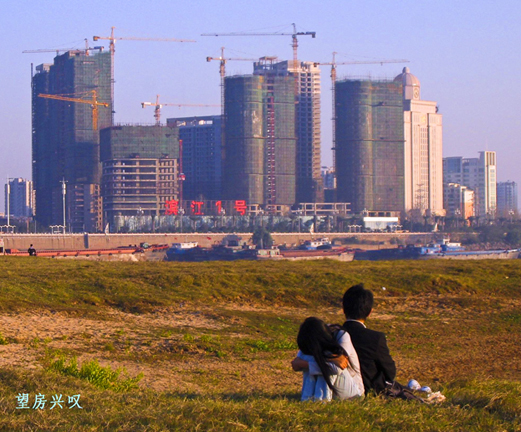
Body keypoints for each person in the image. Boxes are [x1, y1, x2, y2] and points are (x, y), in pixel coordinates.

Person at [291, 317, 364, 401]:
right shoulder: (311, 337)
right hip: (333, 387)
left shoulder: (341, 335)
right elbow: (296, 365)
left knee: (320, 362)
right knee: (311, 358)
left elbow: (339, 366)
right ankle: (308, 397)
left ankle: (321, 399)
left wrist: (305, 364)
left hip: (352, 392)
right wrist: (330, 359)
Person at [342, 284, 396, 395]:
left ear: (343, 309)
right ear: (370, 312)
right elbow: (390, 372)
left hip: (339, 388)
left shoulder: (332, 334)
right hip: (369, 390)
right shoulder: (375, 338)